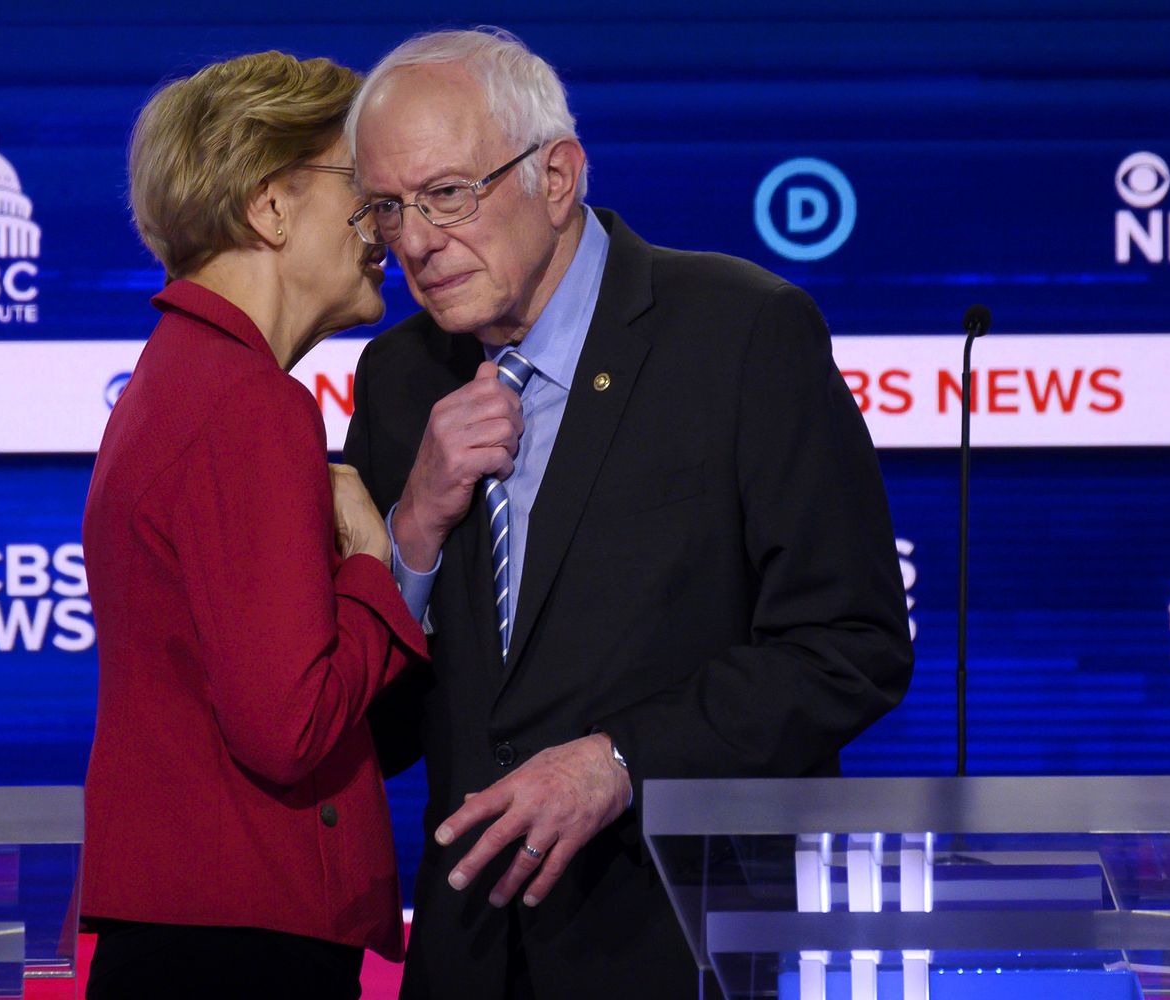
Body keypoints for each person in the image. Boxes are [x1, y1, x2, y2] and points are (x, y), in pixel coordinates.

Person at [343, 28, 912, 999]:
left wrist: (619, 761)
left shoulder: (740, 333)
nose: (417, 242)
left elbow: (849, 645)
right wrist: (411, 538)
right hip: (469, 956)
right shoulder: (399, 381)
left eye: (448, 193)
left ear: (557, 176)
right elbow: (382, 729)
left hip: (681, 941)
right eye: (389, 209)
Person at [80, 51, 426, 999]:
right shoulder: (248, 402)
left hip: (191, 935)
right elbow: (291, 726)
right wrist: (376, 563)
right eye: (362, 190)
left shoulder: (178, 377)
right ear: (270, 207)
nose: (386, 226)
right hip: (241, 948)